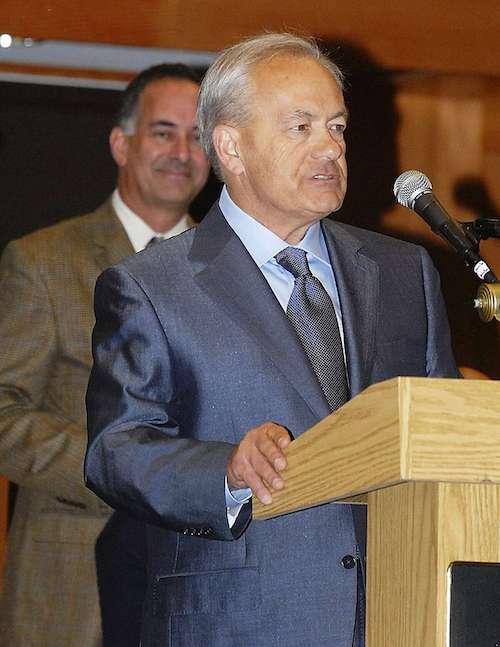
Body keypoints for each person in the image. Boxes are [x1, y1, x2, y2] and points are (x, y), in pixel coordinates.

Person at [85, 33, 460, 647]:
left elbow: (442, 436)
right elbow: (115, 451)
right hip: (238, 620)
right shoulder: (152, 286)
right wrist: (226, 471)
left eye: (337, 128)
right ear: (230, 146)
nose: (330, 149)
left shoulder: (404, 272)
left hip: (403, 609)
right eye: (301, 126)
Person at [0, 63, 210, 647]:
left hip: (200, 582)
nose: (181, 151)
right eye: (164, 131)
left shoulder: (232, 273)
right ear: (122, 143)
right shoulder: (43, 260)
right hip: (75, 573)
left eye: (198, 136)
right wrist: (114, 471)